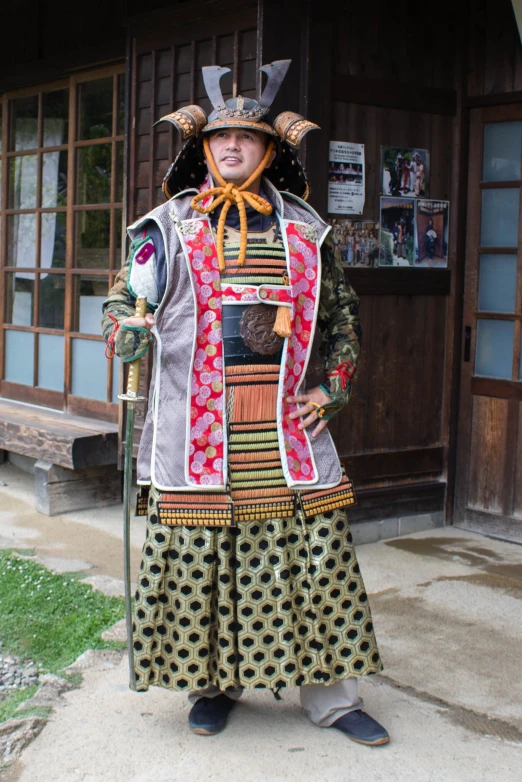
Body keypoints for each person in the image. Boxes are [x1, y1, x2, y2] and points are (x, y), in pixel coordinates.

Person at [102, 59, 388, 746]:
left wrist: (337, 385)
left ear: (270, 151)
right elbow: (120, 304)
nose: (232, 148)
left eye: (248, 140)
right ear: (203, 149)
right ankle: (212, 684)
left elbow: (344, 318)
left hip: (285, 427)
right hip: (197, 430)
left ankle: (333, 698)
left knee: (318, 561)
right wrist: (128, 334)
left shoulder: (307, 231)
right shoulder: (164, 228)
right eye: (219, 140)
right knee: (207, 559)